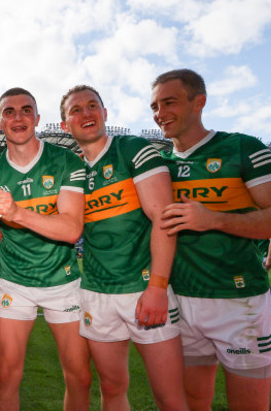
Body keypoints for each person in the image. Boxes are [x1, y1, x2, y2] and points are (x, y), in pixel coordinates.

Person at [151, 69, 271, 410]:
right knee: (191, 402)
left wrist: (213, 219)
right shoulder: (159, 165)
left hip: (238, 299)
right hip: (181, 300)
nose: (160, 114)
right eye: (155, 107)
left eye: (169, 102)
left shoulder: (241, 147)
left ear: (199, 102)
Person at [60, 85, 188, 410]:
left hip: (144, 289)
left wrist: (158, 287)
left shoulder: (132, 148)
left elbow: (163, 217)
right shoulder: (72, 173)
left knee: (169, 397)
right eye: (76, 110)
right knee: (112, 389)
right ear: (64, 125)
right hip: (96, 292)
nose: (86, 114)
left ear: (104, 113)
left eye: (92, 106)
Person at [0, 88, 91, 411]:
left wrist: (18, 214)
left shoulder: (65, 160)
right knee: (8, 377)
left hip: (63, 281)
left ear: (37, 119)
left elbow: (71, 229)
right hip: (15, 284)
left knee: (79, 376)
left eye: (26, 110)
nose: (18, 117)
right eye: (9, 112)